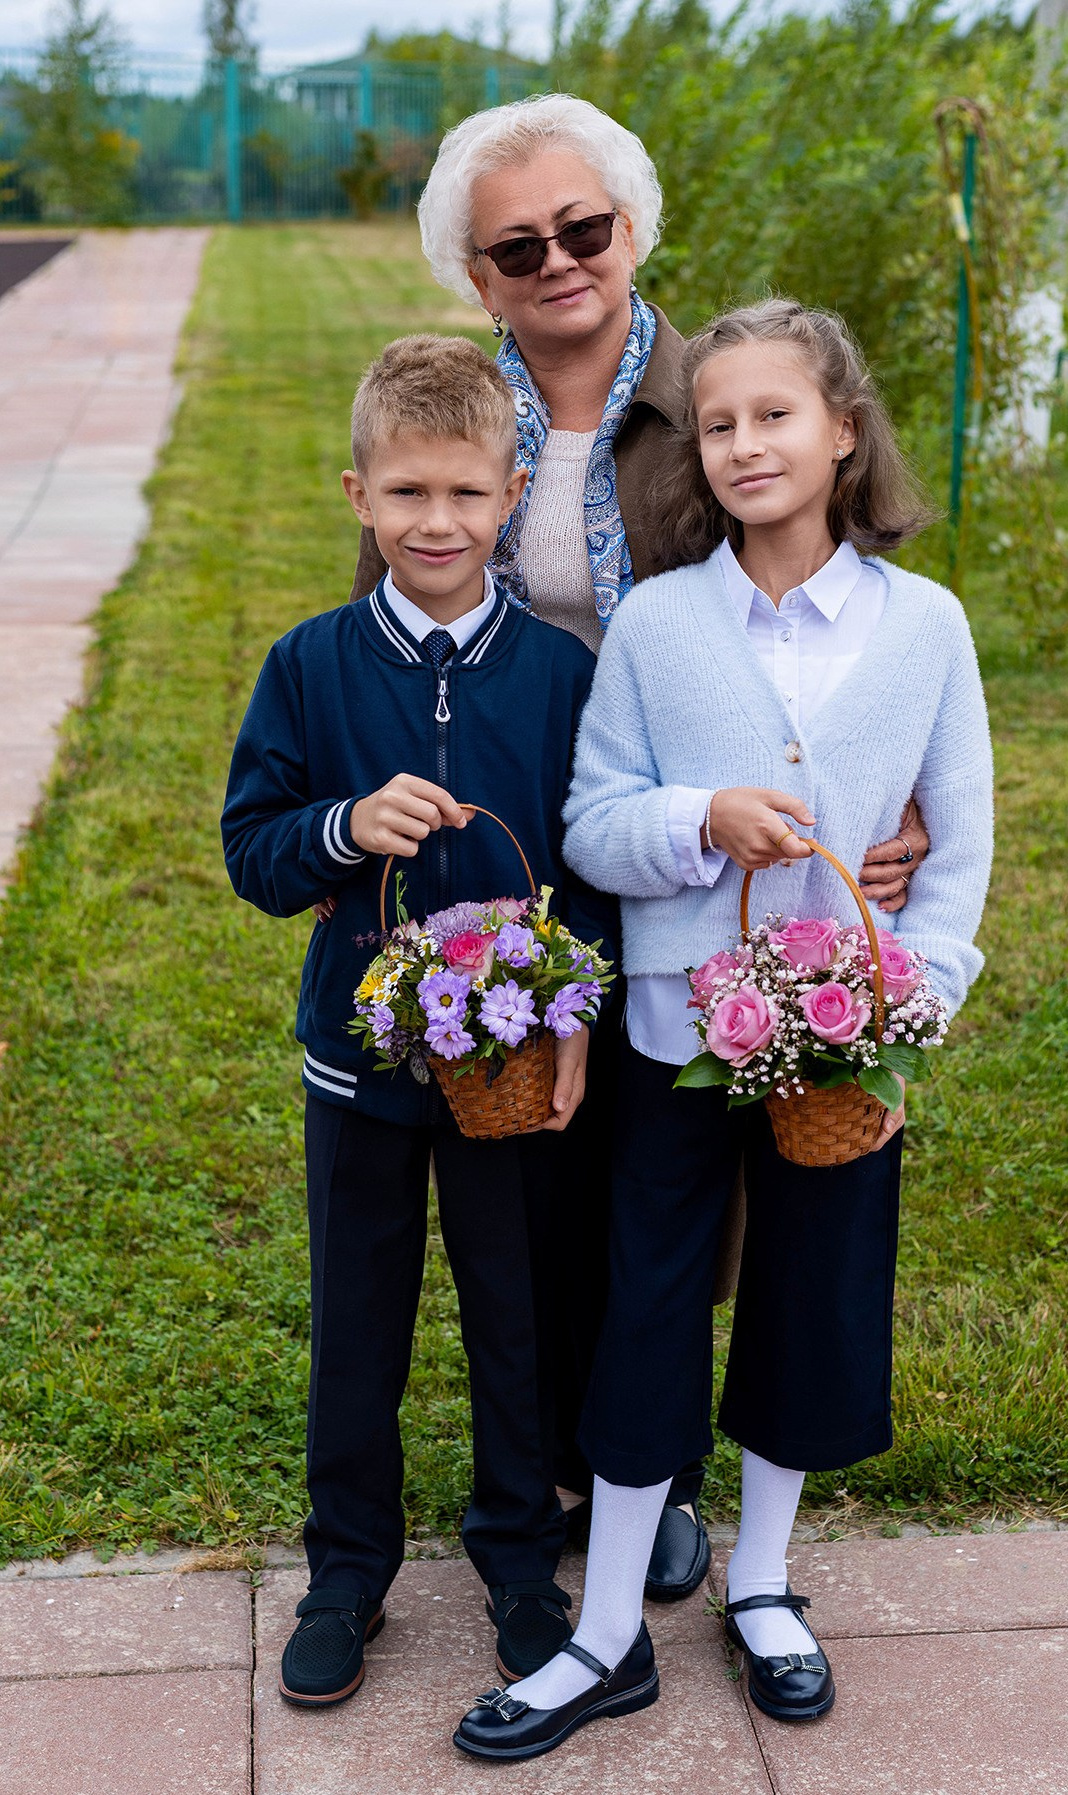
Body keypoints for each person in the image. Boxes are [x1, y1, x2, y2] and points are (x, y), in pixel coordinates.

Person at [334, 94, 930, 1600]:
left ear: (634, 227)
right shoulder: (458, 412)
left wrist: (887, 806)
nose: (558, 262)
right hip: (523, 833)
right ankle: (569, 1467)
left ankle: (643, 1459)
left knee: (678, 1171)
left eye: (583, 228)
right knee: (530, 1145)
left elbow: (840, 611)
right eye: (515, 245)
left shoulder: (720, 391)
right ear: (478, 275)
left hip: (714, 853)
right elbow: (398, 615)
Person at [452, 299, 993, 1761]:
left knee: (815, 1294)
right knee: (648, 1300)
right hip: (675, 1031)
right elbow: (596, 823)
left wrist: (909, 1014)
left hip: (839, 1043)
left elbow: (954, 862)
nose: (747, 444)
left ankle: (761, 1583)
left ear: (843, 431)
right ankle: (609, 1621)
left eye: (776, 416)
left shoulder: (926, 627)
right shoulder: (659, 620)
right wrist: (704, 820)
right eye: (721, 423)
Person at [221, 334, 616, 1708]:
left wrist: (575, 1020)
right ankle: (347, 1570)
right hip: (361, 1072)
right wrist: (340, 825)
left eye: (464, 494)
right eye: (406, 496)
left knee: (514, 1309)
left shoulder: (562, 679)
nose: (436, 524)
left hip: (506, 1069)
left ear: (513, 497)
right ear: (358, 496)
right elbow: (254, 855)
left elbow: (595, 864)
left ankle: (519, 1555)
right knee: (360, 1315)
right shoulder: (313, 666)